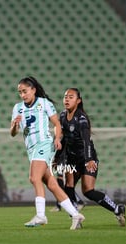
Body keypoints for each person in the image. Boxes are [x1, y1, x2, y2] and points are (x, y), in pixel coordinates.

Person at [10, 76, 85, 230]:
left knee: (33, 177)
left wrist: (57, 138)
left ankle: (41, 215)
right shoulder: (17, 108)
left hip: (43, 144)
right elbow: (13, 133)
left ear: (33, 90)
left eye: (25, 91)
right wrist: (15, 125)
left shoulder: (44, 103)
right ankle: (76, 215)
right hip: (31, 149)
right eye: (20, 92)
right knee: (51, 184)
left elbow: (57, 124)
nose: (23, 95)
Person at [59, 88, 126, 226]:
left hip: (86, 157)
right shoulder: (62, 116)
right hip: (71, 159)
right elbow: (63, 139)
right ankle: (75, 217)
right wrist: (58, 157)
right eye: (65, 96)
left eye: (70, 97)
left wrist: (89, 159)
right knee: (68, 187)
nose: (66, 99)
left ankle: (117, 209)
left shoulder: (81, 119)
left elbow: (86, 141)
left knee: (88, 191)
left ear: (78, 101)